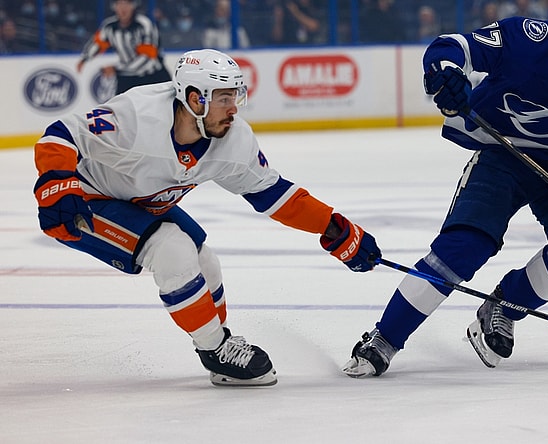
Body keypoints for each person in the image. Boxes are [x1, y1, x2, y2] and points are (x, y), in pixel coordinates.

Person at [33, 49, 381, 386]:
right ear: (195, 98)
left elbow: (274, 194)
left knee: (204, 261)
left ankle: (221, 341)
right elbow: (62, 133)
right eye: (224, 99)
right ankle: (213, 349)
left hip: (137, 200)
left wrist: (335, 228)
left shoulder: (234, 140)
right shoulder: (138, 116)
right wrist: (55, 187)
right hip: (85, 199)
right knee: (173, 250)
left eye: (236, 97)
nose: (234, 109)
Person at [342, 0, 548, 377]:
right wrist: (446, 73)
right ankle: (384, 339)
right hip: (501, 153)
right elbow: (451, 47)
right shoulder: (526, 40)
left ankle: (505, 307)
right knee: (464, 247)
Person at [77, 0, 170, 95]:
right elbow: (97, 44)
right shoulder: (109, 26)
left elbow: (148, 57)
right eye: (119, 4)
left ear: (133, 6)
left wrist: (116, 69)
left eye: (126, 4)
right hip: (126, 79)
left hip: (153, 77)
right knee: (120, 107)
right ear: (114, 6)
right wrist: (84, 58)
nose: (123, 8)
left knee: (164, 107)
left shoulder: (144, 24)